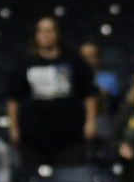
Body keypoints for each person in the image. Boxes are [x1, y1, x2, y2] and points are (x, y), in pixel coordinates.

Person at [5, 16, 98, 168]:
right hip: (32, 138)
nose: (46, 35)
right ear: (36, 36)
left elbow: (89, 94)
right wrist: (13, 127)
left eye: (49, 31)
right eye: (41, 31)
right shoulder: (24, 64)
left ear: (57, 34)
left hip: (70, 138)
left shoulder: (74, 62)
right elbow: (13, 99)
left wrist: (91, 122)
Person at [80, 41, 122, 113]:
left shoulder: (110, 79)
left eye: (91, 56)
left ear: (99, 58)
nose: (86, 60)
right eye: (83, 56)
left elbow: (115, 101)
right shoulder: (72, 79)